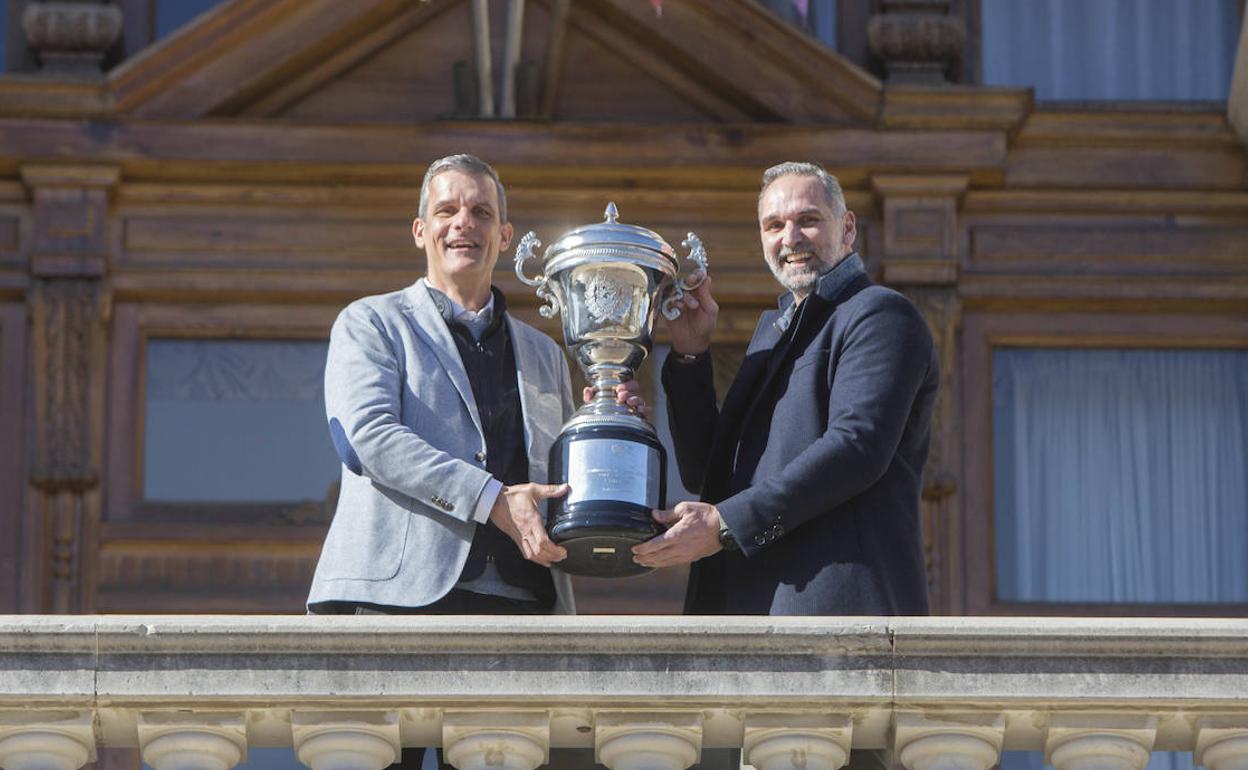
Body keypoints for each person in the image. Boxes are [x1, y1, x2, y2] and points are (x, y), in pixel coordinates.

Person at [307, 153, 641, 617]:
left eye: (481, 212)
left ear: (504, 236)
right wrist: (491, 500)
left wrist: (608, 433)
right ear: (420, 231)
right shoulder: (370, 322)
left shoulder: (545, 353)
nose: (464, 223)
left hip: (529, 603)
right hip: (397, 600)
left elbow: (556, 484)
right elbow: (366, 440)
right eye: (447, 211)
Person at [636, 160, 938, 617]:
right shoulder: (774, 334)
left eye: (808, 220)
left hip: (838, 619)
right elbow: (709, 473)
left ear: (848, 228)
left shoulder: (878, 315)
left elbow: (856, 447)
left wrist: (723, 524)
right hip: (743, 617)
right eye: (774, 225)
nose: (790, 238)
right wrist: (690, 354)